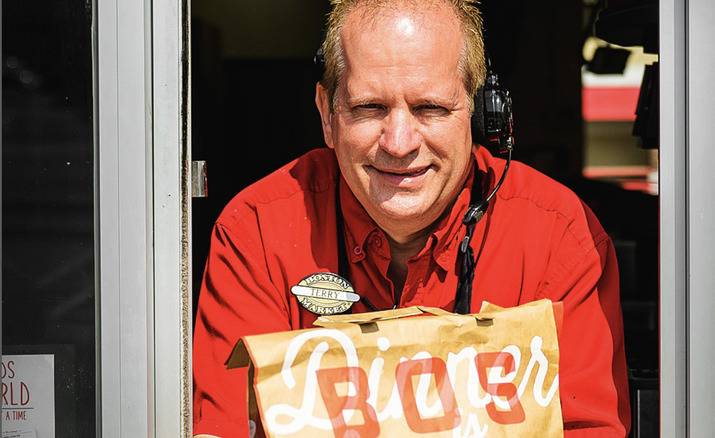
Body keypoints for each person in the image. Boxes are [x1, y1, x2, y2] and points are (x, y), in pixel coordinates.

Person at [193, 0, 631, 436]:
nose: (399, 143)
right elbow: (226, 427)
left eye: (430, 108)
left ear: (480, 114)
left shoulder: (558, 237)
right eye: (369, 107)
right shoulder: (256, 231)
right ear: (327, 114)